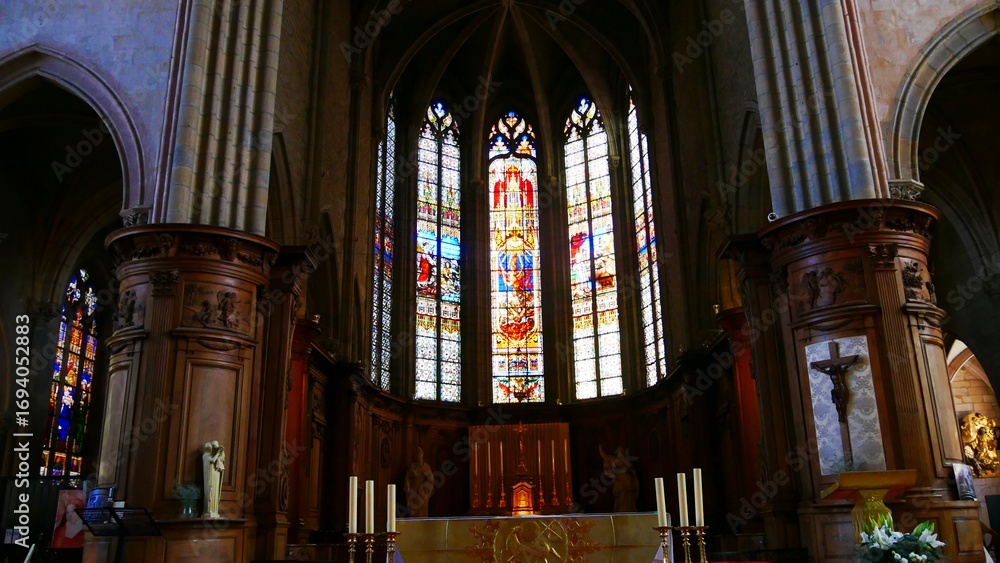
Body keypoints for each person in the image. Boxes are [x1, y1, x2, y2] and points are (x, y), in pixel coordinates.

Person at [404, 447, 434, 517]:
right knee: (414, 510)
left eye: (420, 455)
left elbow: (431, 479)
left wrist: (425, 473)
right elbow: (407, 478)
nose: (419, 457)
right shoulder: (412, 466)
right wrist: (408, 483)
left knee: (423, 510)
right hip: (413, 490)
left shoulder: (426, 467)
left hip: (422, 493)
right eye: (417, 455)